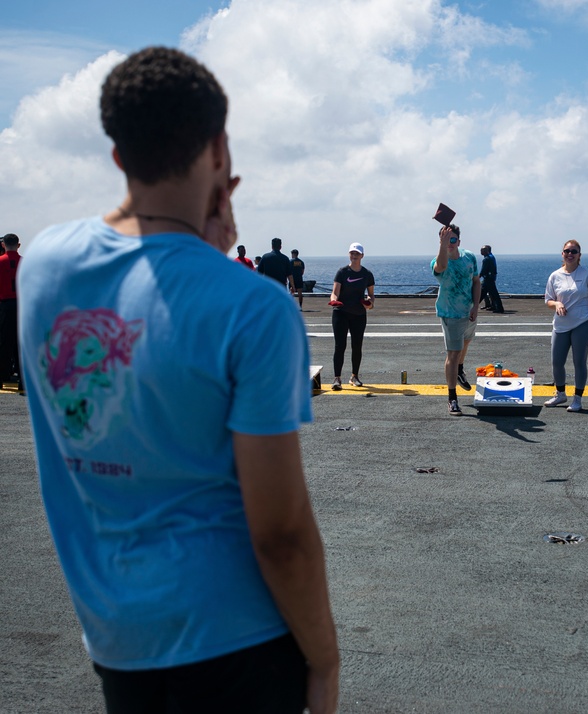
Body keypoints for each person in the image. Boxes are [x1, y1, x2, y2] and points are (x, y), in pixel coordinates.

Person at [16, 47, 340, 713]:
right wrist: (325, 658)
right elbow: (279, 533)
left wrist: (197, 251)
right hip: (238, 642)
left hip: (117, 637)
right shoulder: (255, 309)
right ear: (219, 149)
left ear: (116, 156)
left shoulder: (43, 266)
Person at [543, 240, 588, 412]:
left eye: (574, 251)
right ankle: (560, 394)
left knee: (579, 362)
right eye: (567, 251)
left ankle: (578, 399)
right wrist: (556, 304)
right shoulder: (555, 276)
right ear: (562, 254)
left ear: (579, 255)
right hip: (560, 325)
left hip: (582, 323)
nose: (570, 254)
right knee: (556, 362)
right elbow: (548, 300)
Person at [432, 223, 480, 416]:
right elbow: (441, 266)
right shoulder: (438, 260)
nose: (450, 243)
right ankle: (452, 398)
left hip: (468, 311)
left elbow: (476, 281)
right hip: (450, 314)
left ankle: (460, 369)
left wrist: (476, 305)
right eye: (445, 240)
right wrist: (443, 245)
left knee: (466, 342)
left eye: (453, 240)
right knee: (453, 353)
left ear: (459, 241)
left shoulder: (469, 257)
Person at [329, 242, 374, 390]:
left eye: (357, 253)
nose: (354, 256)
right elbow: (335, 292)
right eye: (352, 253)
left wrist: (369, 302)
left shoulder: (367, 274)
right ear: (349, 254)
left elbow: (372, 297)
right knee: (339, 346)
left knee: (357, 346)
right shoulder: (342, 272)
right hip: (340, 313)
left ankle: (354, 376)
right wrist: (334, 300)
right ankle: (337, 378)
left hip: (359, 314)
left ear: (362, 255)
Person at [0, 233, 22, 391]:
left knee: (4, 344)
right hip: (22, 306)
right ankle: (23, 379)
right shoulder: (25, 262)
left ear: (3, 245)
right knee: (20, 345)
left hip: (5, 306)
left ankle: (2, 377)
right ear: (18, 245)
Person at [479, 245, 505, 313]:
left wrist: (478, 276)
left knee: (481, 294)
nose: (481, 251)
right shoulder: (490, 257)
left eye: (482, 250)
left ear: (486, 251)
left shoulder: (486, 259)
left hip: (488, 279)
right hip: (491, 278)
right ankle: (498, 307)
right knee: (493, 294)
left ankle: (472, 307)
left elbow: (483, 270)